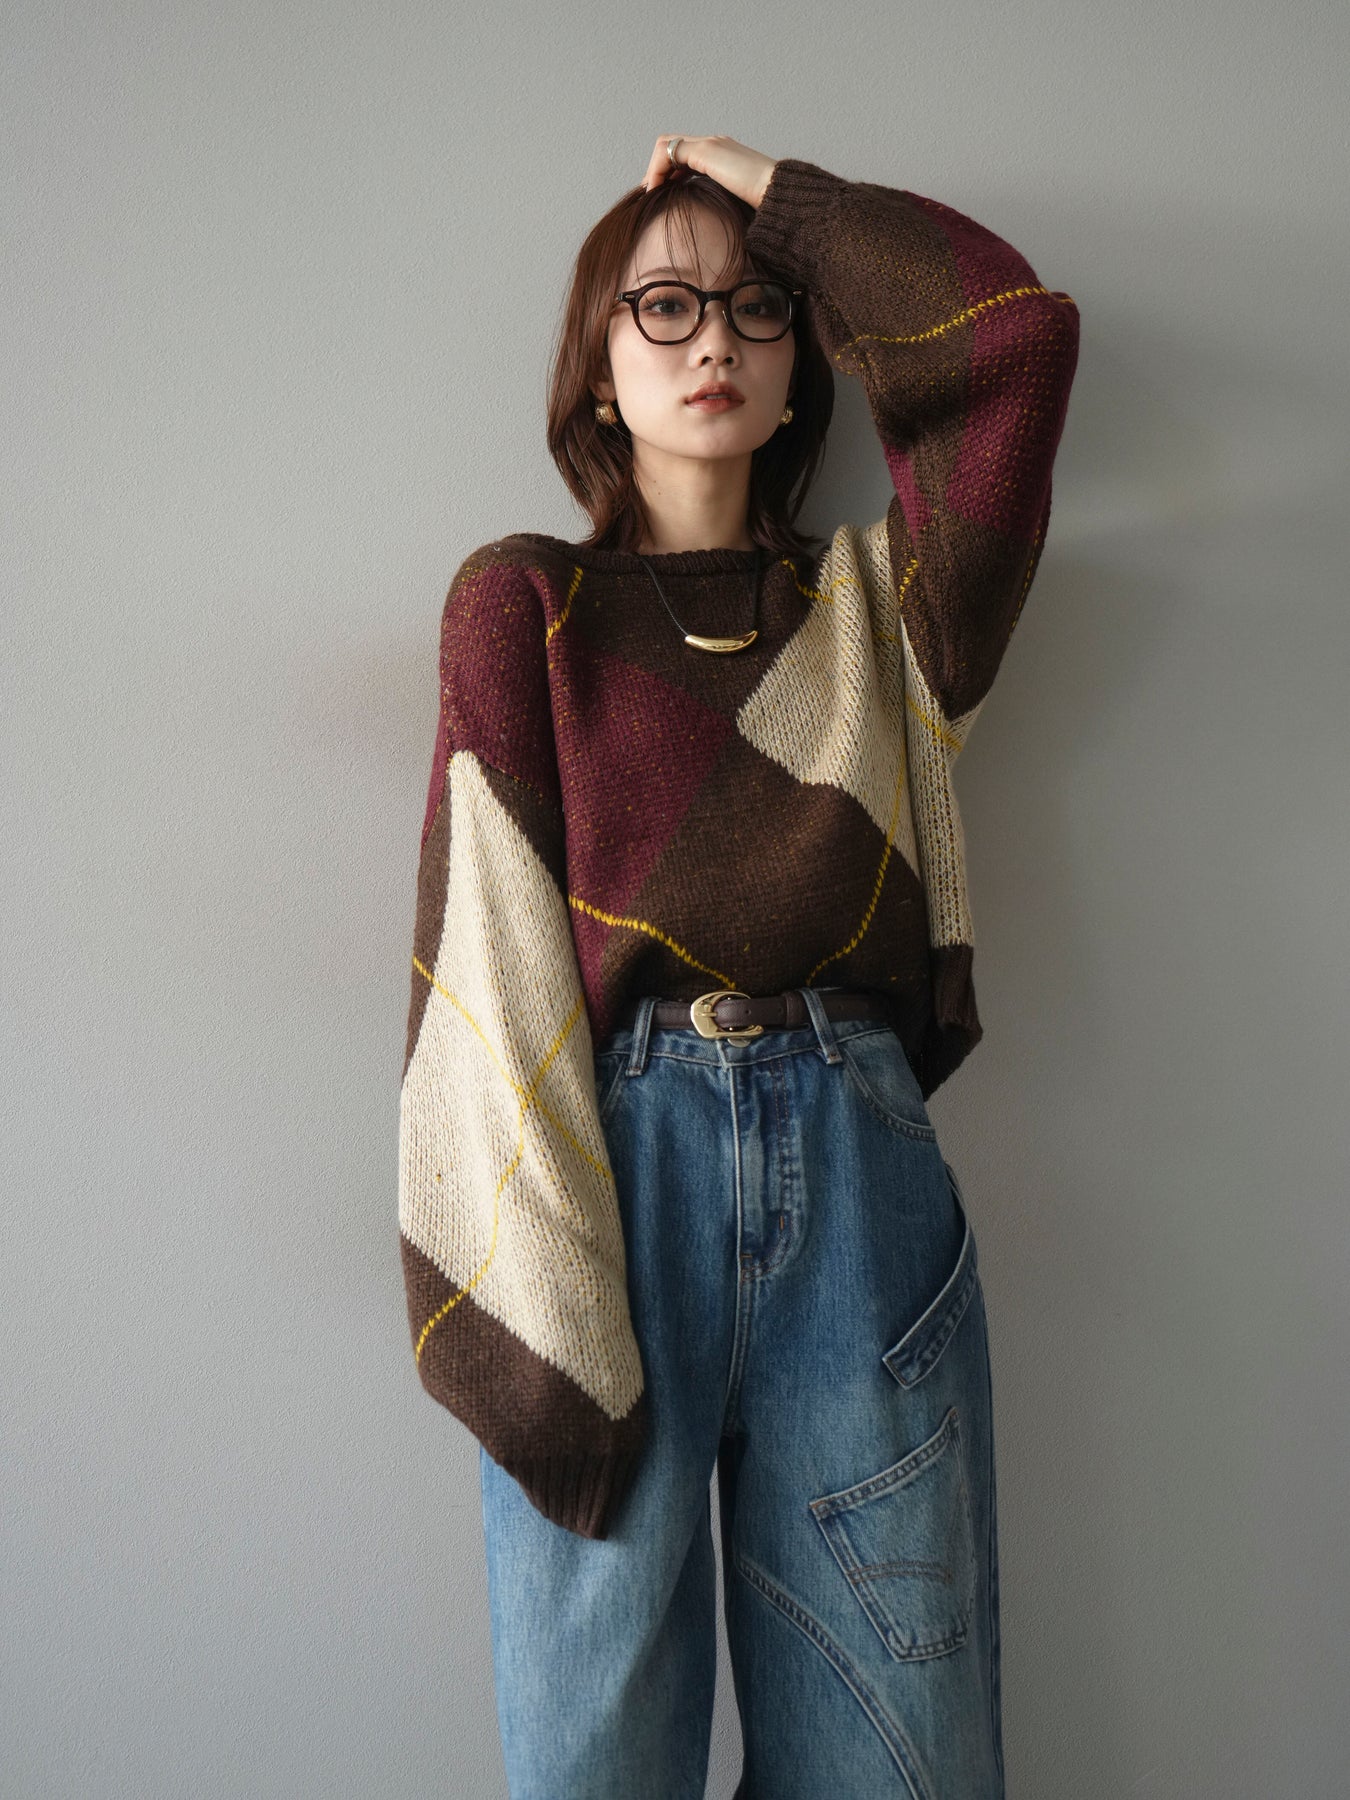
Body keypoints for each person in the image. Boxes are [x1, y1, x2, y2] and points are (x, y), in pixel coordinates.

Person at [397, 132, 1079, 1798]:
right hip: (600, 1181)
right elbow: (484, 965)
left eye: (755, 308)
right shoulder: (524, 605)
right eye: (664, 305)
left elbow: (1013, 345)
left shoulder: (885, 608)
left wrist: (783, 199)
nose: (712, 339)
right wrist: (528, 1339)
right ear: (596, 369)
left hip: (858, 1180)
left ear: (800, 371)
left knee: (894, 1759)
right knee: (592, 1766)